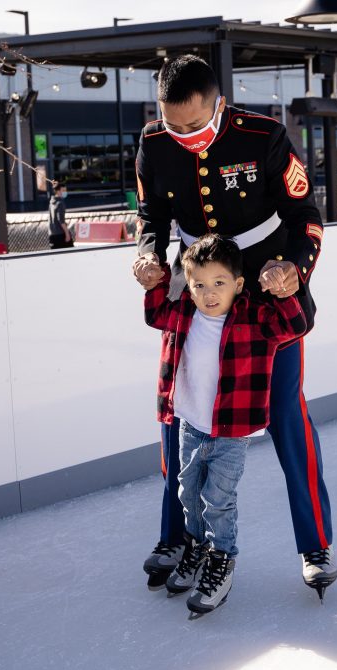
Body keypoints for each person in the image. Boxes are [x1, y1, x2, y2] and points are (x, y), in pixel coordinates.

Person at [132, 54, 337, 601]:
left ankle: (315, 544)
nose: (183, 137)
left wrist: (294, 271)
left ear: (218, 104)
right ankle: (176, 537)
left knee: (286, 419)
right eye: (172, 125)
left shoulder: (264, 135)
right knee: (180, 414)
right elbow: (151, 213)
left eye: (194, 126)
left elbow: (306, 217)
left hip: (265, 291)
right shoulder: (153, 145)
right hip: (195, 291)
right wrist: (149, 254)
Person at [142, 234, 307, 615]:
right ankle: (198, 545)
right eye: (199, 284)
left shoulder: (255, 317)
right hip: (190, 425)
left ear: (238, 284)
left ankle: (222, 558)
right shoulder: (183, 311)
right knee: (187, 493)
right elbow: (154, 314)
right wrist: (155, 281)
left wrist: (283, 291)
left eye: (219, 283)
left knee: (218, 500)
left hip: (231, 433)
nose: (209, 293)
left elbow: (294, 325)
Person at [48, 181, 74, 249]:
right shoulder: (60, 203)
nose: (65, 192)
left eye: (66, 190)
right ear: (58, 191)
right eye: (63, 190)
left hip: (52, 234)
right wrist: (67, 234)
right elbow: (61, 220)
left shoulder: (51, 201)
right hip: (61, 234)